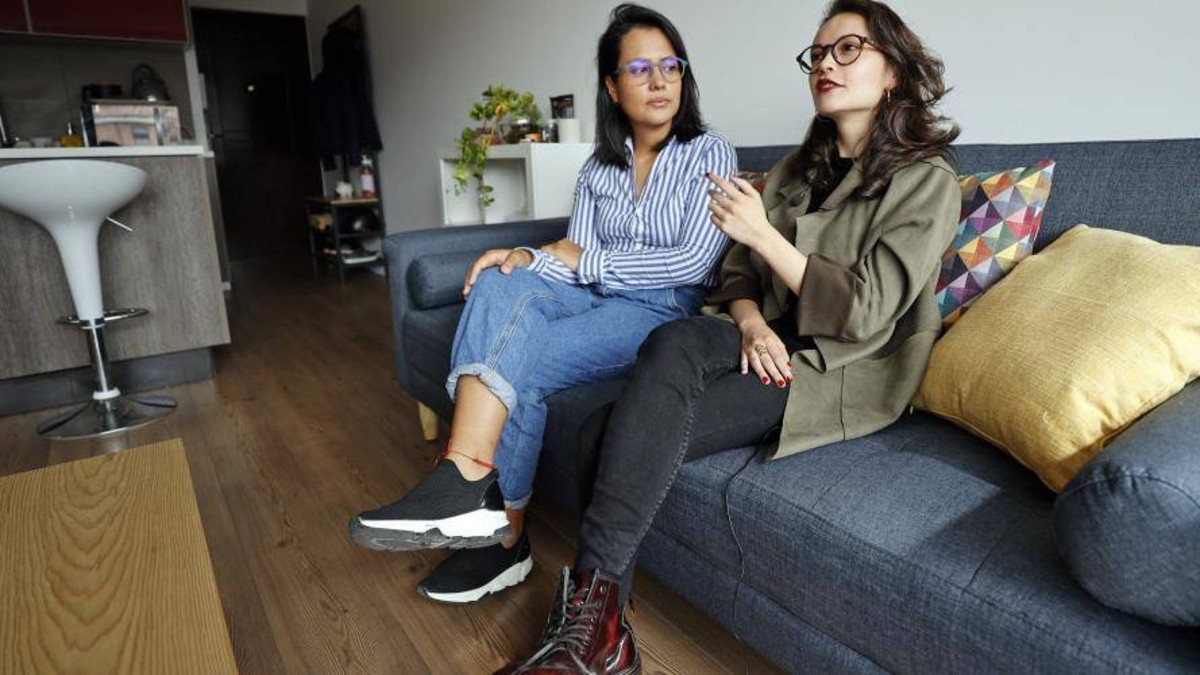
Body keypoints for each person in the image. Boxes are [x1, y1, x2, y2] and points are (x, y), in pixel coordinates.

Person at [498, 0, 963, 672]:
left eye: (847, 49)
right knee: (674, 340)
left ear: (893, 70)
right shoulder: (799, 169)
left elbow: (865, 310)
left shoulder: (927, 179)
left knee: (599, 431)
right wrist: (749, 323)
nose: (826, 65)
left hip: (835, 362)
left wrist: (765, 236)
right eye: (817, 54)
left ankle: (593, 636)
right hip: (763, 335)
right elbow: (736, 274)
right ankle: (600, 638)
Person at [349, 3, 737, 607]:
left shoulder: (709, 153)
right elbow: (569, 254)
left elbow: (692, 264)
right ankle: (465, 481)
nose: (659, 81)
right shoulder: (599, 167)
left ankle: (503, 539)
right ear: (613, 86)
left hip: (660, 309)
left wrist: (585, 262)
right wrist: (525, 256)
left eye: (671, 66)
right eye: (639, 69)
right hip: (591, 295)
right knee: (500, 280)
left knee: (521, 364)